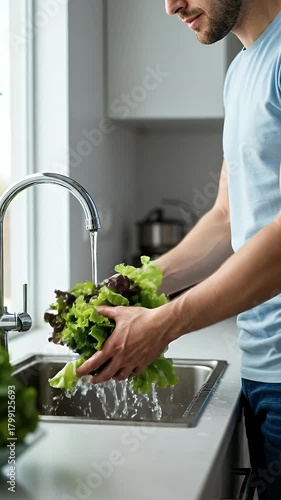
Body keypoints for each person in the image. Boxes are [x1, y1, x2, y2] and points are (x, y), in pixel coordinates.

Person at [77, 1, 281, 498]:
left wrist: (166, 323)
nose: (171, 6)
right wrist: (137, 285)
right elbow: (226, 218)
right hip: (261, 370)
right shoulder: (241, 72)